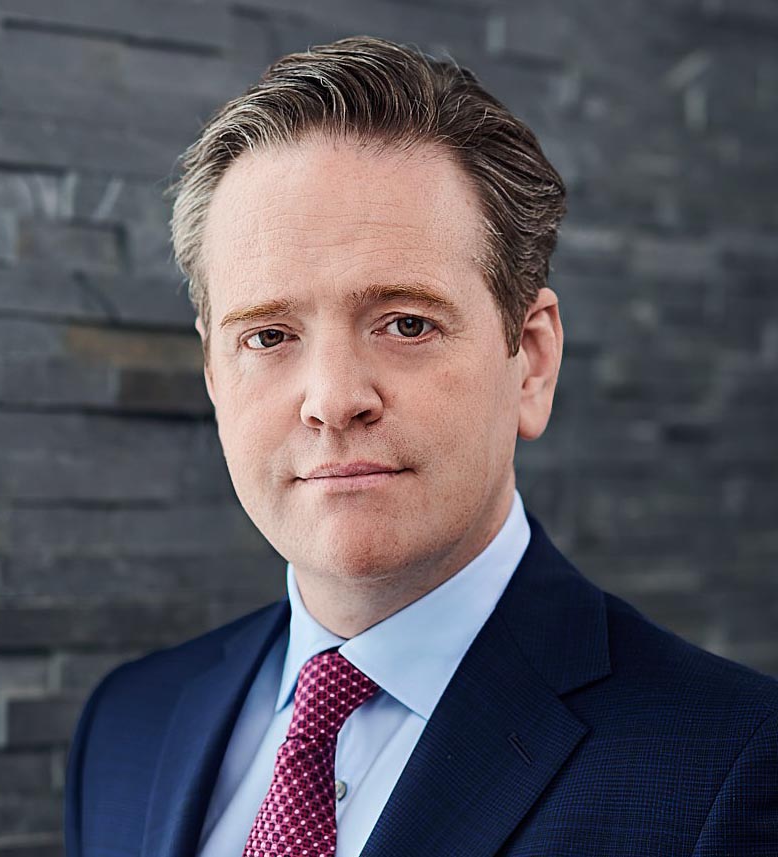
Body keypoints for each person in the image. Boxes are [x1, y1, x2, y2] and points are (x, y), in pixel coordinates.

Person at [64, 35, 778, 857]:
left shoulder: (728, 772)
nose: (333, 400)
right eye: (268, 335)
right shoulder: (126, 728)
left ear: (532, 360)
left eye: (406, 323)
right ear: (214, 375)